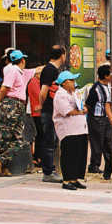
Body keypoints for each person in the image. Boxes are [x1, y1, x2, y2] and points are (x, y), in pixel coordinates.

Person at [0, 50, 35, 177]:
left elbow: (37, 70)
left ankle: (0, 161)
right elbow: (4, 87)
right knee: (5, 137)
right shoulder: (13, 70)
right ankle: (2, 165)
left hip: (19, 105)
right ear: (22, 60)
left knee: (17, 139)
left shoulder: (23, 73)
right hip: (10, 104)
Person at [53, 71, 89, 191]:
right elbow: (66, 110)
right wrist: (80, 111)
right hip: (68, 129)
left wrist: (82, 108)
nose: (74, 83)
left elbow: (79, 105)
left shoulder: (74, 93)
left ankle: (75, 178)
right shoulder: (60, 94)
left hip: (79, 128)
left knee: (79, 154)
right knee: (69, 154)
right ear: (63, 83)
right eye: (71, 81)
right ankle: (67, 179)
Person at [39, 45, 66, 183]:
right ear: (62, 56)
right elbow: (43, 91)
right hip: (49, 110)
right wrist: (42, 105)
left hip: (52, 111)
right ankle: (48, 172)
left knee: (53, 141)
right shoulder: (50, 70)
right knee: (49, 142)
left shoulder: (52, 70)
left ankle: (50, 169)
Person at [86, 64, 112, 180]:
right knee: (97, 142)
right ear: (106, 75)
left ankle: (109, 166)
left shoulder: (109, 87)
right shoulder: (96, 88)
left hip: (107, 118)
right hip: (96, 118)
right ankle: (94, 165)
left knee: (108, 143)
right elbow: (89, 103)